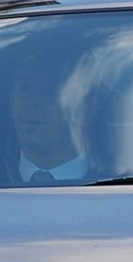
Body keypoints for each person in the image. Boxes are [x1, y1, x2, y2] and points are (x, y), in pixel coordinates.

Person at [9, 54, 89, 184]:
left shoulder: (123, 189)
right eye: (25, 88)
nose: (31, 101)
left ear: (84, 108)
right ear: (10, 101)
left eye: (50, 90)